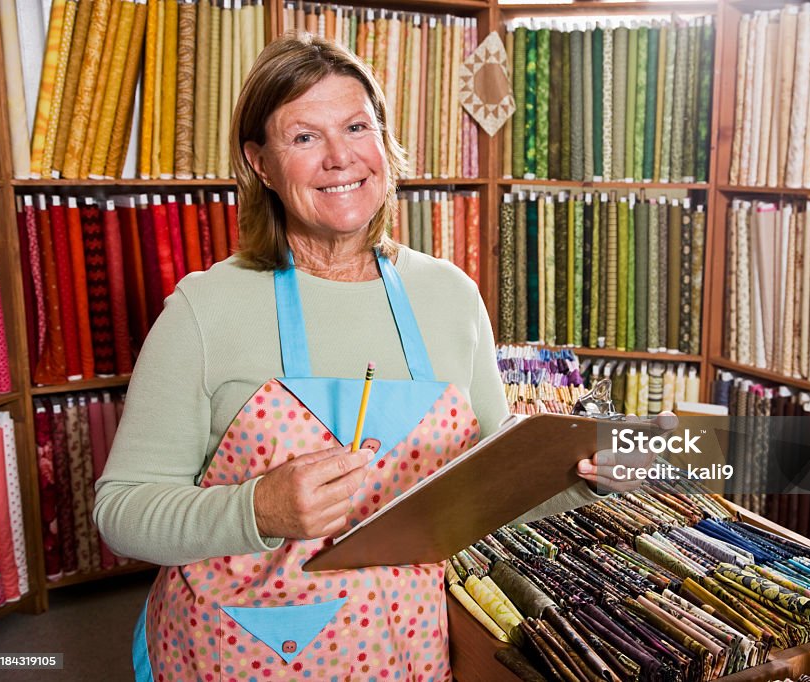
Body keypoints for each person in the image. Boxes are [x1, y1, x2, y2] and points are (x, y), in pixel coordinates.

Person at [94, 33, 641, 680]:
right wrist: (255, 511)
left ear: (383, 142)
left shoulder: (450, 295)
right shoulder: (206, 310)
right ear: (261, 163)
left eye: (356, 126)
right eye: (304, 138)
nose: (339, 157)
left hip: (403, 649)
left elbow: (488, 488)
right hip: (240, 653)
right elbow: (122, 510)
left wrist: (576, 477)